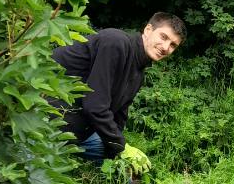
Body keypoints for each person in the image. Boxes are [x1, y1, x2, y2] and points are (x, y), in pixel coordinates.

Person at [51, 12, 185, 169]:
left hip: (77, 131)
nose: (165, 47)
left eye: (173, 45)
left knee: (127, 166)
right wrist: (121, 146)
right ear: (148, 30)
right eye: (163, 37)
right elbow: (94, 105)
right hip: (42, 121)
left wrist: (119, 150)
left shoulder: (138, 72)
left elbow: (119, 115)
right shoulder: (116, 42)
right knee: (34, 183)